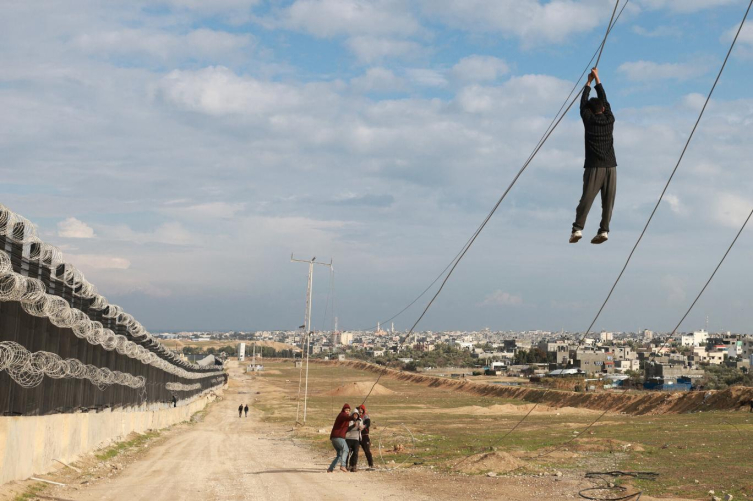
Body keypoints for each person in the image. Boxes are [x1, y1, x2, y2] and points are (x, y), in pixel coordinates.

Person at [570, 67, 617, 245]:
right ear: (603, 109)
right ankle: (604, 230)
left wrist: (588, 83)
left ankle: (577, 229)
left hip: (594, 166)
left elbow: (582, 104)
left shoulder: (588, 121)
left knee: (587, 198)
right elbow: (605, 100)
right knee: (608, 200)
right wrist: (597, 79)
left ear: (589, 111)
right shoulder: (610, 120)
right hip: (611, 167)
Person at [328, 404, 351, 472]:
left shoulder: (345, 418)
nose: (347, 411)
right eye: (346, 410)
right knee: (346, 449)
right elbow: (347, 417)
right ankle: (343, 466)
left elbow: (346, 429)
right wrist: (353, 417)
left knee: (340, 455)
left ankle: (330, 468)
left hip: (334, 438)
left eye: (349, 410)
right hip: (338, 437)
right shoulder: (342, 415)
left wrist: (353, 426)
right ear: (343, 410)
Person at [357, 404, 374, 469]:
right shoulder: (356, 416)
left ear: (363, 410)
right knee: (354, 451)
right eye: (359, 409)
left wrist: (363, 426)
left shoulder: (366, 416)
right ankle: (352, 465)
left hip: (364, 436)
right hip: (357, 436)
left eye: (361, 409)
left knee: (367, 451)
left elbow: (368, 423)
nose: (360, 410)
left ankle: (371, 464)